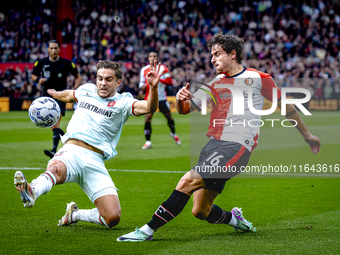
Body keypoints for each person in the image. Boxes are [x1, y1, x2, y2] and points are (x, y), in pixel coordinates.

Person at [117, 33, 322, 241]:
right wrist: (180, 99)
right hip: (212, 146)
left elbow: (286, 105)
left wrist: (307, 135)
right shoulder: (215, 83)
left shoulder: (259, 78)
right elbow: (186, 109)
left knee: (188, 181)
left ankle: (146, 231)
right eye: (211, 55)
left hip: (236, 147)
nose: (212, 59)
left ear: (232, 54)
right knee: (200, 211)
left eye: (217, 54)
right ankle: (236, 220)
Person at [14, 60, 163, 228]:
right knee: (55, 168)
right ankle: (32, 190)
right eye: (100, 78)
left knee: (112, 218)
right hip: (72, 151)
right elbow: (69, 95)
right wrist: (55, 94)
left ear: (118, 82)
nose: (103, 83)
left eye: (108, 79)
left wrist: (154, 87)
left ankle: (76, 214)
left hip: (95, 161)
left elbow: (150, 107)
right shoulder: (86, 90)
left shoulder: (123, 102)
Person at [32, 40, 82, 159]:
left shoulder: (66, 63)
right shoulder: (41, 62)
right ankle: (72, 144)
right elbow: (33, 75)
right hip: (46, 98)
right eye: (51, 48)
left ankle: (54, 150)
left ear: (59, 50)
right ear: (48, 50)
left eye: (56, 48)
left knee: (55, 124)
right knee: (54, 127)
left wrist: (75, 91)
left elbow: (78, 76)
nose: (54, 50)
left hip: (60, 96)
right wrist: (39, 79)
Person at [139, 51, 181, 149]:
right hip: (149, 99)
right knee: (148, 118)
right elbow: (141, 85)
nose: (153, 57)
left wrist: (158, 79)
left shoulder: (163, 68)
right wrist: (145, 86)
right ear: (148, 58)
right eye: (151, 56)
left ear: (157, 58)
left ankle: (173, 133)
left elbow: (170, 82)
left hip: (161, 98)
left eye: (155, 56)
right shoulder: (144, 70)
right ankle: (148, 141)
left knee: (169, 118)